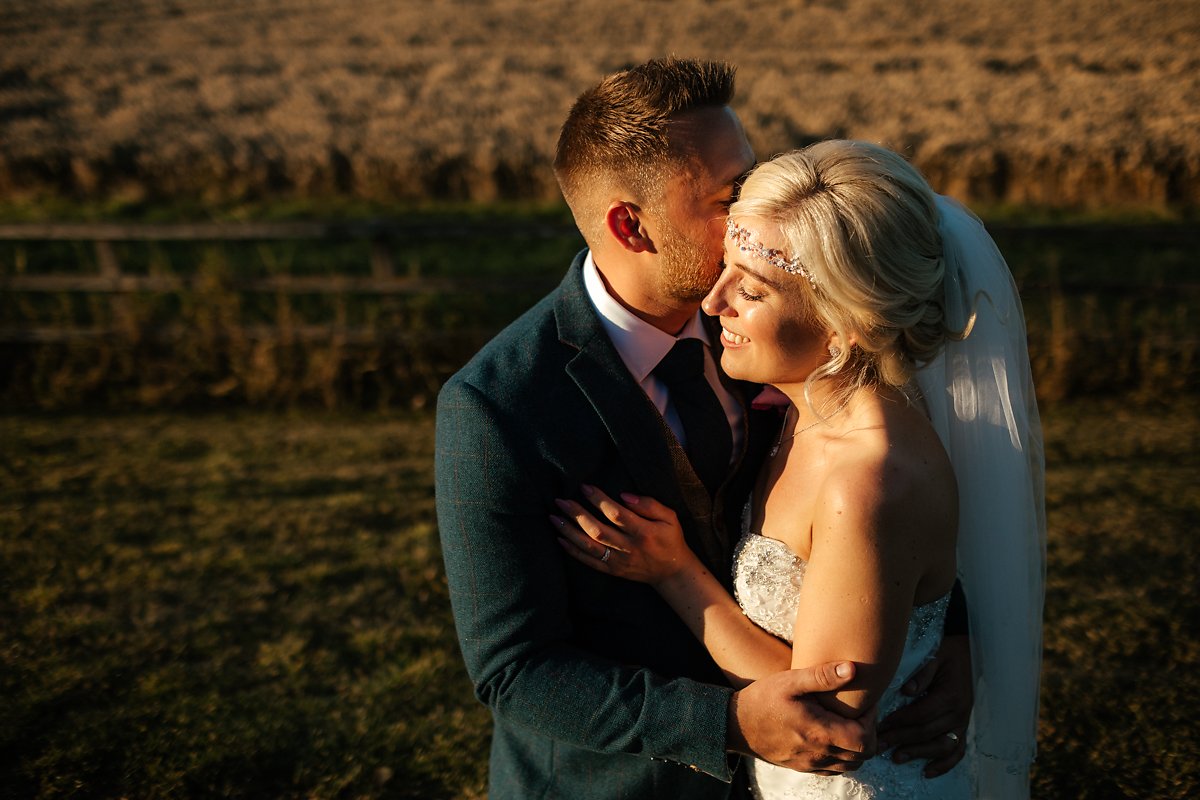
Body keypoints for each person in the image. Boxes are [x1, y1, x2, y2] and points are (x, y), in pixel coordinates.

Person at [435, 59, 973, 800]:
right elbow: (515, 670)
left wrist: (939, 635)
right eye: (730, 197)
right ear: (632, 225)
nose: (758, 214)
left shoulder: (783, 327)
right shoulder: (499, 407)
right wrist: (723, 723)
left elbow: (883, 504)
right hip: (618, 784)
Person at [555, 141, 1045, 798]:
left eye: (750, 290)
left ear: (844, 328)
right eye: (726, 267)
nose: (712, 302)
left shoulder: (867, 481)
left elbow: (824, 713)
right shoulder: (810, 402)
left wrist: (676, 574)